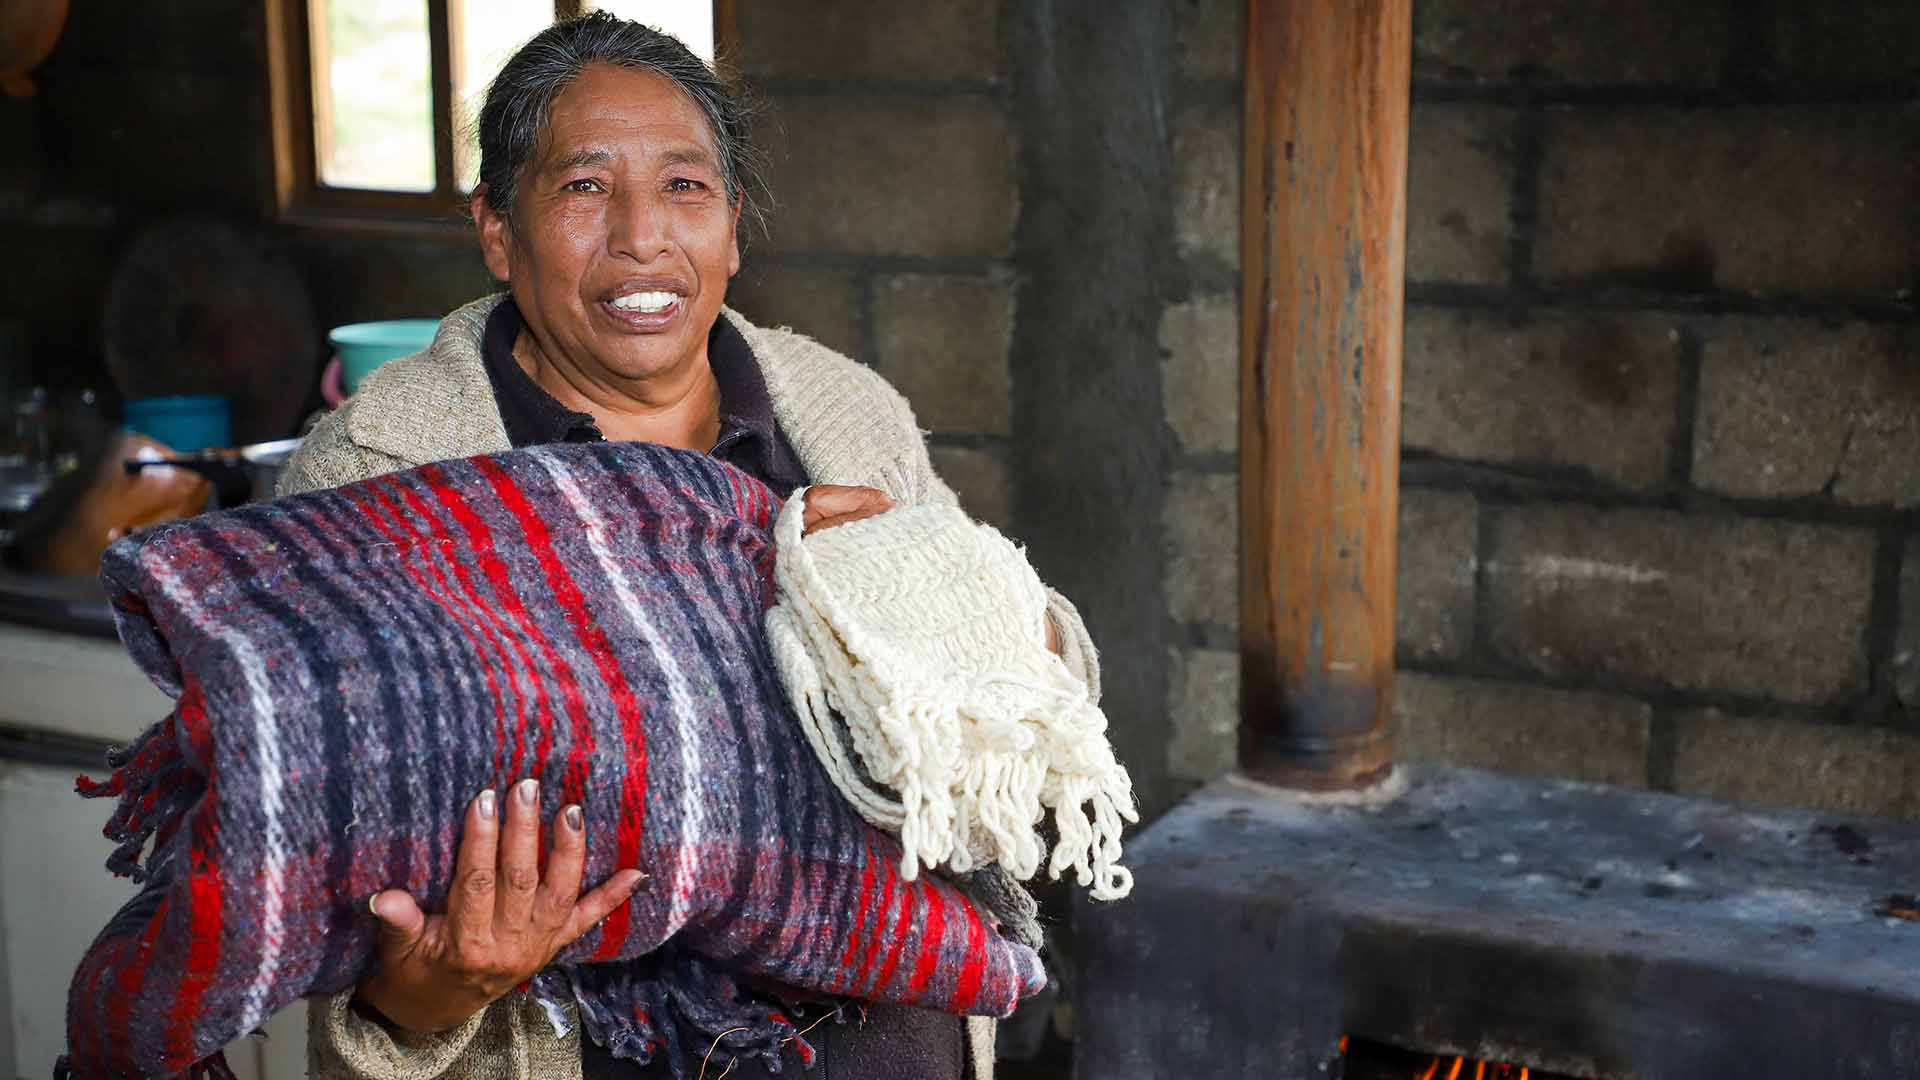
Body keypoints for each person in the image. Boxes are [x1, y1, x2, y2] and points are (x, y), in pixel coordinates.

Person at [278, 13, 1101, 1080]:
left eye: (684, 187)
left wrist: (970, 604)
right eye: (583, 188)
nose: (642, 236)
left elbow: (1014, 714)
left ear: (733, 226)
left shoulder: (842, 416)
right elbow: (326, 894)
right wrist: (431, 991)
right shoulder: (379, 474)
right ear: (496, 227)